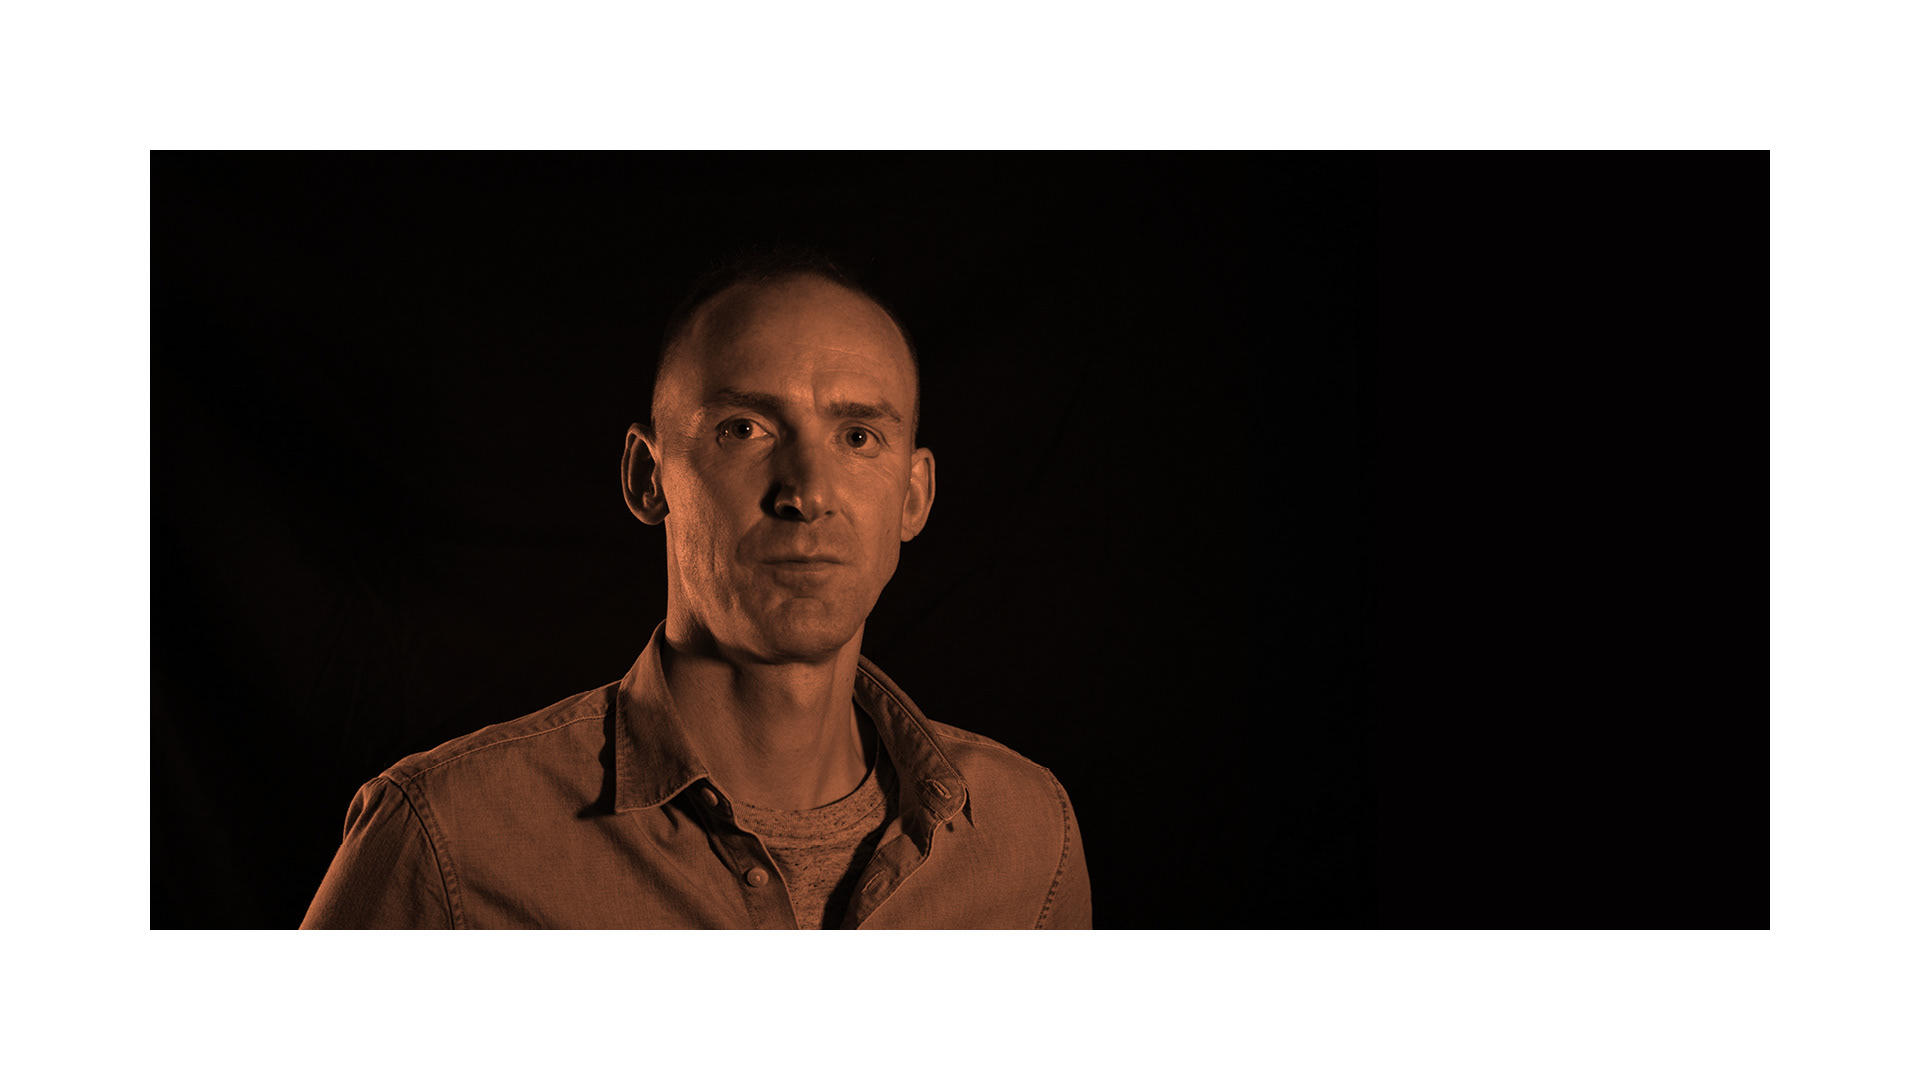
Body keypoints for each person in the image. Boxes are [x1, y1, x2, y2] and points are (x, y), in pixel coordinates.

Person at [300, 252, 1092, 929]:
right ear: (648, 478)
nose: (807, 492)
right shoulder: (446, 839)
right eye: (744, 429)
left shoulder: (1030, 840)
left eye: (858, 437)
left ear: (913, 496)